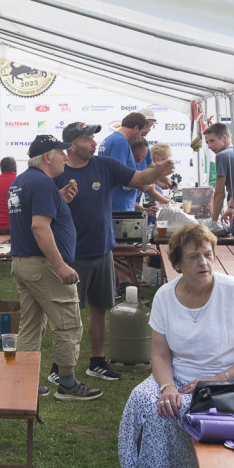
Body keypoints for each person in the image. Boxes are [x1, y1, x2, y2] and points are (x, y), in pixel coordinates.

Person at [115, 223, 234, 468]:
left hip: (226, 383)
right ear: (178, 264)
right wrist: (167, 386)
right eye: (194, 257)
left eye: (208, 254)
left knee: (168, 411)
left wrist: (215, 379)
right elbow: (159, 354)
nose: (204, 262)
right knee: (141, 399)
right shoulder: (165, 296)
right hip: (178, 378)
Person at [52, 121, 174, 383]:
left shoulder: (104, 165)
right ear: (72, 145)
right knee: (66, 314)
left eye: (93, 138)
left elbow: (139, 179)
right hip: (70, 255)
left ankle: (96, 361)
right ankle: (60, 365)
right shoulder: (56, 173)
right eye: (87, 139)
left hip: (102, 250)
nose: (94, 143)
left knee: (100, 309)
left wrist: (156, 172)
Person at [8, 134, 102, 402]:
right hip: (43, 265)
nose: (66, 156)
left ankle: (24, 381)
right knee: (68, 323)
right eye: (62, 153)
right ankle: (68, 385)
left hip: (23, 263)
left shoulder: (22, 181)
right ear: (48, 157)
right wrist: (60, 266)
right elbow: (38, 226)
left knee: (31, 324)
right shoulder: (41, 184)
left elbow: (31, 215)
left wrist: (58, 200)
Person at [97, 112, 146, 210]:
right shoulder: (120, 142)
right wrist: (143, 184)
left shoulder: (109, 139)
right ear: (136, 128)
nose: (139, 137)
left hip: (113, 202)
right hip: (119, 205)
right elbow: (120, 176)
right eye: (140, 133)